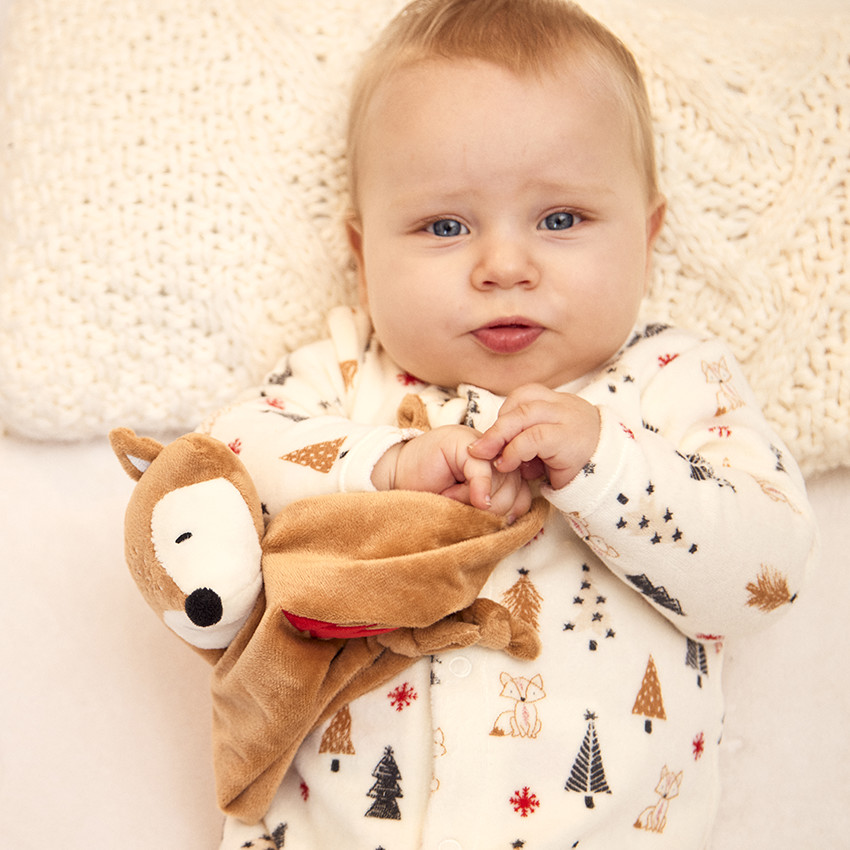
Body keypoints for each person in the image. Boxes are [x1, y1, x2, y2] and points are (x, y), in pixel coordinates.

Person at [207, 0, 817, 846]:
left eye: (560, 219)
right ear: (361, 253)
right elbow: (222, 473)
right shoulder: (350, 373)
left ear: (648, 237)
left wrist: (609, 468)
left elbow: (769, 569)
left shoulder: (671, 380)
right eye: (444, 226)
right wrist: (385, 466)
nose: (503, 266)